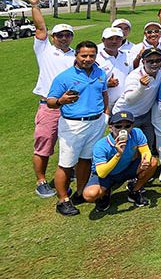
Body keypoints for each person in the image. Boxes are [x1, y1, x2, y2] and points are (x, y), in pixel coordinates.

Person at [46, 41, 110, 216]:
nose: (88, 59)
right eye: (84, 55)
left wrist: (106, 114)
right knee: (66, 164)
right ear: (76, 56)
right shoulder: (64, 77)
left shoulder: (100, 73)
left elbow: (104, 93)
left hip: (96, 122)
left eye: (91, 55)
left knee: (86, 159)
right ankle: (63, 200)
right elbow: (50, 101)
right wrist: (60, 101)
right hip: (73, 125)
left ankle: (80, 192)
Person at [29, 0, 76, 198]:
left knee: (71, 142)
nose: (64, 38)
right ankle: (41, 180)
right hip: (49, 106)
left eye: (68, 35)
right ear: (53, 37)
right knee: (44, 144)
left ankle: (68, 171)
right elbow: (40, 28)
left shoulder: (77, 55)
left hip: (72, 107)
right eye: (60, 35)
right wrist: (35, 6)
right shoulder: (45, 50)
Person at [82, 111, 157, 211]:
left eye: (127, 126)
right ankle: (105, 193)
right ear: (110, 128)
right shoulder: (101, 146)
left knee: (152, 162)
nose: (123, 130)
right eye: (118, 126)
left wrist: (146, 161)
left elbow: (145, 151)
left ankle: (134, 191)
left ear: (132, 126)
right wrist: (118, 155)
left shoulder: (137, 133)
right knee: (89, 195)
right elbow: (102, 173)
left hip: (127, 168)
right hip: (107, 175)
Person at [112, 47, 161, 153]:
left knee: (147, 144)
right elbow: (129, 99)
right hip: (125, 115)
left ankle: (146, 163)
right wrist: (141, 87)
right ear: (143, 61)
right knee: (125, 147)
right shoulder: (134, 77)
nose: (154, 64)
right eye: (150, 61)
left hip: (145, 114)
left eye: (158, 60)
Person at [96, 27, 130, 108]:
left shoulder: (128, 56)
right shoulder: (96, 58)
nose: (114, 41)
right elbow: (89, 82)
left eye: (118, 38)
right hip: (103, 103)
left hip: (123, 103)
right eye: (110, 38)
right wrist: (106, 84)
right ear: (103, 40)